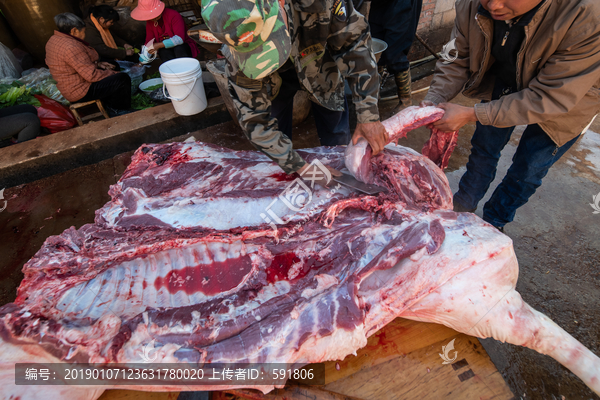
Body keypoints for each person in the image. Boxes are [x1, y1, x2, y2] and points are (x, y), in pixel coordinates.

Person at [422, 0, 600, 231]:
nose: (494, 5)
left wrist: (472, 114)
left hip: (569, 99)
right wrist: (435, 97)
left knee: (528, 170)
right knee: (484, 148)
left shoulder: (586, 13)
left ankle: (494, 223)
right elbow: (456, 56)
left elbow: (551, 96)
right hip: (506, 80)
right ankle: (462, 207)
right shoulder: (473, 4)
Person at [200, 0, 387, 186]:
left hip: (321, 65)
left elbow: (354, 45)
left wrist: (368, 115)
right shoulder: (235, 43)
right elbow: (255, 121)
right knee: (278, 147)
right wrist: (301, 168)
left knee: (336, 131)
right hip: (273, 81)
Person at [46, 13, 131, 115]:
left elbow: (76, 64)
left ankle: (109, 102)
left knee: (112, 64)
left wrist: (99, 64)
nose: (85, 34)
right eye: (84, 31)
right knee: (122, 79)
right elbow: (91, 76)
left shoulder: (54, 39)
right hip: (80, 90)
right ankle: (118, 111)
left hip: (70, 84)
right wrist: (113, 73)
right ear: (74, 31)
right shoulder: (71, 47)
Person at [369, 0, 422, 109]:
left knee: (395, 53)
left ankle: (406, 102)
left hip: (402, 3)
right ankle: (373, 99)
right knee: (374, 48)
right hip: (379, 4)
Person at [131, 0, 198, 62]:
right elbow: (148, 42)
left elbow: (179, 39)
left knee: (179, 49)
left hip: (183, 46)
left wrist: (159, 45)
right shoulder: (150, 22)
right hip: (166, 49)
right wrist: (141, 63)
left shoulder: (174, 15)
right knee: (163, 52)